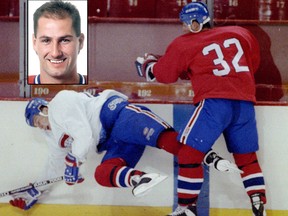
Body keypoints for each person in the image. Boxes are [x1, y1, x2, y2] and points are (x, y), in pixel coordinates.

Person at [9, 89, 240, 211]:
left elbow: (84, 136)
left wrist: (74, 161)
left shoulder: (60, 102)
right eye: (38, 126)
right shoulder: (55, 136)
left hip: (120, 116)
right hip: (114, 143)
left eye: (39, 120)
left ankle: (209, 156)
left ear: (43, 107)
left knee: (165, 139)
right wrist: (37, 191)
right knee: (102, 174)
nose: (42, 126)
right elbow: (54, 165)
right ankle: (139, 179)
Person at [136, 2, 267, 216]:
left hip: (215, 104)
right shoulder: (240, 33)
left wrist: (147, 66)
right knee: (247, 158)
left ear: (194, 22)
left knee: (189, 154)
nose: (184, 27)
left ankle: (187, 209)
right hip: (244, 103)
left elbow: (164, 75)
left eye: (186, 24)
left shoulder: (184, 43)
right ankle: (259, 206)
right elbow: (252, 62)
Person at [28, 0, 87, 84]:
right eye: (46, 40)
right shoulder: (14, 86)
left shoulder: (101, 87)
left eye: (64, 40)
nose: (55, 53)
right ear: (34, 43)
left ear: (80, 42)